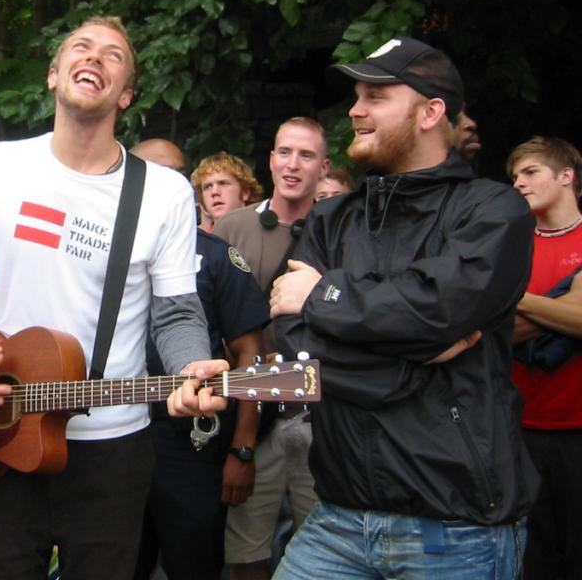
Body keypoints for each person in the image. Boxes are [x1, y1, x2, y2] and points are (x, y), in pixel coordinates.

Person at [0, 16, 229, 580]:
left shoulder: (164, 193)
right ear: (54, 75)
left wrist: (191, 367)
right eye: (81, 47)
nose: (94, 57)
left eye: (113, 55)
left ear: (125, 94)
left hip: (112, 449)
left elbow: (176, 314)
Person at [271, 36, 538, 579]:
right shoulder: (331, 218)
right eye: (356, 96)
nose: (355, 109)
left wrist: (324, 296)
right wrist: (411, 360)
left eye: (375, 96)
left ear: (430, 111)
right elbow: (294, 343)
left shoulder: (493, 210)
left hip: (457, 529)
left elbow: (438, 308)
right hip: (338, 519)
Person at [131, 139, 269, 580]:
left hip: (191, 440)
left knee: (194, 564)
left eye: (171, 175)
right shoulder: (104, 257)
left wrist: (242, 450)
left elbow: (251, 354)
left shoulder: (215, 256)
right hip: (114, 438)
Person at [212, 118, 329, 580]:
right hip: (252, 407)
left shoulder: (339, 227)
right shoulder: (233, 226)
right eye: (284, 152)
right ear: (271, 159)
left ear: (324, 166)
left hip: (317, 409)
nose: (293, 165)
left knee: (325, 545)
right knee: (244, 551)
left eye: (305, 155)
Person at [507, 136, 582, 579]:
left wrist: (516, 298)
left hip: (579, 427)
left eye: (530, 172)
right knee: (531, 560)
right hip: (520, 426)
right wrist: (562, 304)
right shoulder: (511, 245)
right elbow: (494, 332)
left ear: (566, 175)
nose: (518, 183)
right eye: (514, 176)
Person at [191, 151, 263, 230]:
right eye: (207, 187)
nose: (214, 192)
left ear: (245, 192)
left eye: (223, 183)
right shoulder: (194, 241)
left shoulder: (263, 235)